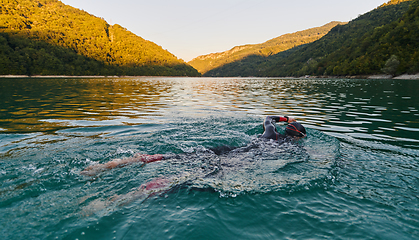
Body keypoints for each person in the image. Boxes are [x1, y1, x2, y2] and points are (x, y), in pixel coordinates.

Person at [81, 115, 306, 176]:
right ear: (299, 137)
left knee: (174, 157)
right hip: (240, 161)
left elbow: (268, 117)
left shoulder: (270, 132)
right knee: (189, 176)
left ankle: (118, 163)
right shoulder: (289, 146)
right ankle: (123, 199)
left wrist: (286, 118)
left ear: (286, 127)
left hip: (228, 151)